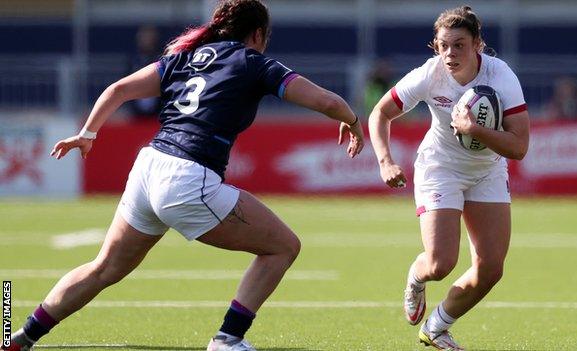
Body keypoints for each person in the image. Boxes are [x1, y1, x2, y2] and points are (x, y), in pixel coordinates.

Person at [4, 1, 364, 351]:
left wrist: (88, 133)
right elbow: (327, 102)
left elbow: (118, 90)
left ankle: (20, 336)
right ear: (257, 34)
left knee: (104, 267)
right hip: (187, 177)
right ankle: (227, 339)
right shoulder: (254, 63)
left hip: (148, 167)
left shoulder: (184, 58)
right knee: (283, 247)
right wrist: (351, 120)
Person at [368, 6, 529, 350]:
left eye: (459, 45)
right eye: (444, 46)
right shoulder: (430, 75)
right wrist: (385, 161)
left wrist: (475, 129)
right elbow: (380, 113)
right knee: (440, 264)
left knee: (490, 270)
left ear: (477, 45)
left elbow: (519, 147)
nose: (451, 53)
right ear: (435, 47)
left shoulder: (501, 78)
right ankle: (416, 276)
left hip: (487, 170)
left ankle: (437, 327)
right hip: (440, 168)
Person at [128, 25, 162, 118]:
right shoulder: (134, 60)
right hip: (136, 112)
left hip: (157, 113)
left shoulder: (161, 58)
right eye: (143, 37)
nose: (146, 40)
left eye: (149, 37)